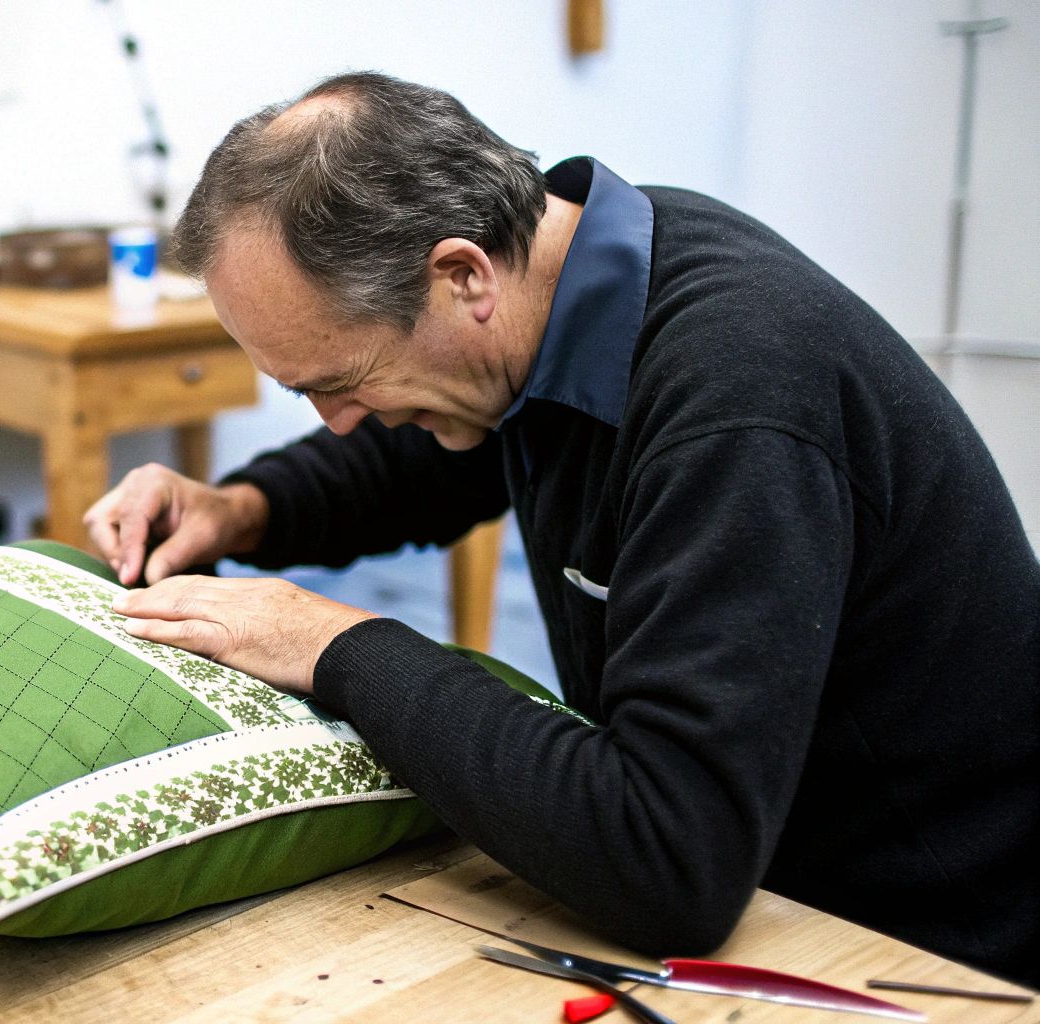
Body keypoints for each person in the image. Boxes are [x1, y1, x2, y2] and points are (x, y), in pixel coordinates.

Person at [85, 72, 1039, 985]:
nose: (335, 419)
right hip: (771, 865)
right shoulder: (565, 269)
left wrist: (336, 644)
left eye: (338, 382)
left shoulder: (735, 395)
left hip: (922, 938)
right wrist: (241, 508)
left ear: (462, 275)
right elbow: (435, 441)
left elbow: (667, 859)